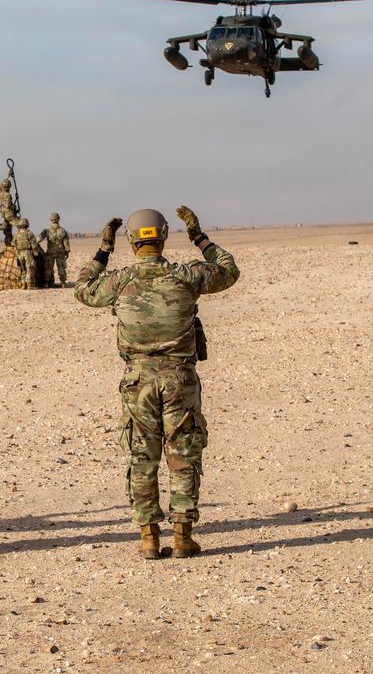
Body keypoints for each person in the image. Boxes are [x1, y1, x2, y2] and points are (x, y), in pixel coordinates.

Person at [75, 206, 239, 559]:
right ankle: (182, 536)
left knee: (141, 457)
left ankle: (149, 538)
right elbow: (228, 269)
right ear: (164, 237)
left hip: (138, 383)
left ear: (131, 242)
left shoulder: (119, 282)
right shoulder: (186, 276)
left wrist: (104, 249)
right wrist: (199, 236)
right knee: (183, 454)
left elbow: (83, 287)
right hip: (181, 380)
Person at [39, 212, 71, 287]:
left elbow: (38, 239)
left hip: (50, 253)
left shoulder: (47, 231)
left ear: (51, 219)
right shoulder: (63, 231)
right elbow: (66, 244)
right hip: (60, 253)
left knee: (48, 269)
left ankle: (46, 283)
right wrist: (67, 252)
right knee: (61, 268)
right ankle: (63, 283)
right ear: (58, 219)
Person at [12, 218, 38, 289]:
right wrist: (36, 253)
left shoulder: (17, 234)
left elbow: (13, 244)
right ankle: (30, 285)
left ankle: (23, 285)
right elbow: (34, 245)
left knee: (23, 269)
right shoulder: (29, 233)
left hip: (19, 253)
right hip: (28, 253)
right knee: (30, 269)